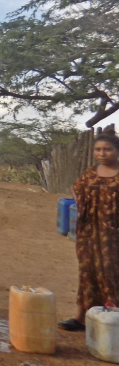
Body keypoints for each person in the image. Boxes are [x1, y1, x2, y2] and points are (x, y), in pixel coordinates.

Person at [59, 132, 119, 331]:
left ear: (117, 151)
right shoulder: (91, 172)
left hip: (113, 234)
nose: (102, 153)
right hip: (88, 232)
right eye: (98, 149)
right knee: (87, 272)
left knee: (111, 273)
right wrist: (81, 203)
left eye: (107, 149)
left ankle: (112, 321)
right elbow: (76, 187)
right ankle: (81, 318)